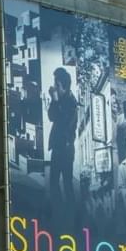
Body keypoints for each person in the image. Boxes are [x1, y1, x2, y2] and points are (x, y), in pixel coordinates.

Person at [46, 69, 78, 214]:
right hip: (58, 147)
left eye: (56, 84)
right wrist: (54, 100)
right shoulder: (61, 99)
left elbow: (63, 120)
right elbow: (51, 116)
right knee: (53, 182)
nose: (54, 87)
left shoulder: (71, 102)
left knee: (67, 184)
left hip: (65, 149)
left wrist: (56, 100)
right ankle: (59, 211)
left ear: (62, 86)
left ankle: (70, 214)